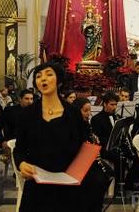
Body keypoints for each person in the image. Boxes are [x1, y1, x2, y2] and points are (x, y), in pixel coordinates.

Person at [13, 62, 90, 211]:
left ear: (59, 81)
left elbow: (83, 146)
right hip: (37, 181)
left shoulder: (73, 113)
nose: (43, 79)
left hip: (68, 181)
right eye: (38, 76)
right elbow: (19, 149)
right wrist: (21, 164)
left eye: (49, 74)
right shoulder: (27, 115)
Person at [73, 97, 111, 211]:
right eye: (85, 111)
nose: (89, 114)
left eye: (90, 110)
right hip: (77, 164)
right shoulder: (73, 126)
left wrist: (93, 146)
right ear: (76, 111)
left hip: (87, 161)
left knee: (108, 173)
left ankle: (96, 204)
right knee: (98, 180)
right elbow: (74, 148)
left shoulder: (86, 124)